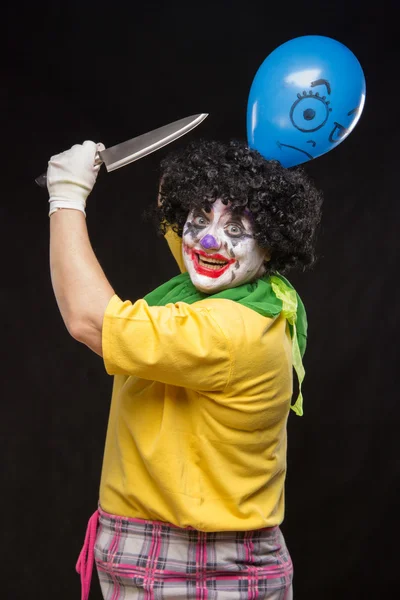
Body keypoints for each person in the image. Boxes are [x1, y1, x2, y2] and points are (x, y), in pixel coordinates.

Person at [47, 138, 322, 599]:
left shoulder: (228, 330)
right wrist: (227, 179)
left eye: (237, 228)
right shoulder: (263, 293)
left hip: (192, 565)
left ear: (272, 244)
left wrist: (67, 195)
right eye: (198, 221)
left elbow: (90, 320)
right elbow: (180, 216)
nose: (210, 240)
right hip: (177, 555)